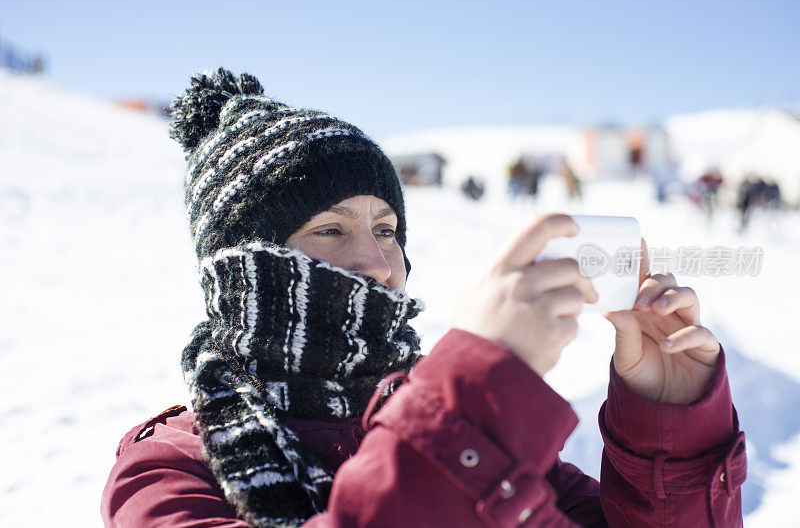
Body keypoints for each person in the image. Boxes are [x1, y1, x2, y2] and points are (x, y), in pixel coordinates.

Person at [101, 69, 746, 527]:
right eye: (330, 230)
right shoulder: (165, 473)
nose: (382, 267)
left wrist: (672, 421)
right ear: (239, 271)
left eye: (387, 229)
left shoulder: (476, 441)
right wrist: (467, 398)